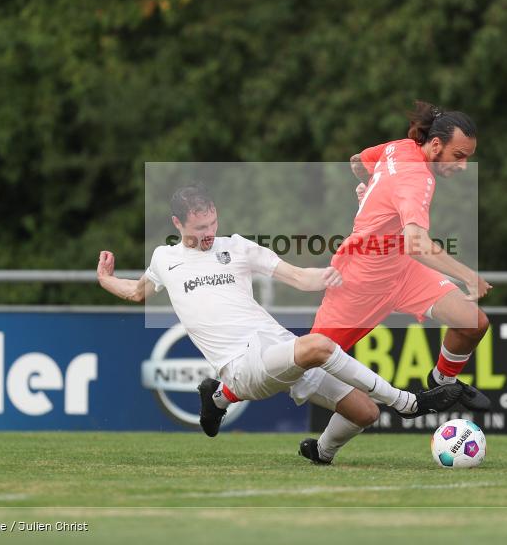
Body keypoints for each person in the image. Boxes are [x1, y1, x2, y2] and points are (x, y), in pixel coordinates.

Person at [96, 184, 465, 465]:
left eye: (212, 223)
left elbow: (302, 278)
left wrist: (335, 270)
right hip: (242, 366)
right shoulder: (165, 258)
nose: (208, 233)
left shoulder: (238, 247)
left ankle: (320, 452)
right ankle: (408, 403)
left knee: (364, 412)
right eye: (198, 228)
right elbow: (138, 292)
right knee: (318, 345)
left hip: (278, 347)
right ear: (177, 224)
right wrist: (105, 280)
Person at [311, 101, 493, 406]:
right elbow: (417, 243)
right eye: (458, 156)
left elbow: (358, 160)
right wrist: (468, 276)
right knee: (308, 360)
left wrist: (372, 189)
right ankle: (226, 393)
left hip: (404, 270)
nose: (463, 166)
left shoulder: (402, 147)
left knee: (473, 322)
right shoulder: (417, 178)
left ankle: (442, 382)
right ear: (436, 145)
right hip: (361, 278)